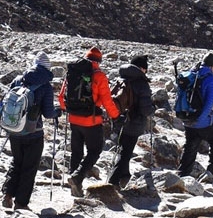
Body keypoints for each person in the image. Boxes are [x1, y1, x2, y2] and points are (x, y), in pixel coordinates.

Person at [1, 51, 62, 210]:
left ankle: (7, 194)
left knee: (16, 161)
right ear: (48, 70)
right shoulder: (46, 87)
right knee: (29, 167)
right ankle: (21, 203)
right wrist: (58, 112)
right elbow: (48, 113)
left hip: (14, 129)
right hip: (34, 133)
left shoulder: (18, 80)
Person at [59, 47, 120, 196]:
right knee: (94, 150)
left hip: (73, 118)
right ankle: (77, 177)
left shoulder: (73, 72)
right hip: (91, 120)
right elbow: (107, 100)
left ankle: (74, 184)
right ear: (99, 61)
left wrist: (70, 110)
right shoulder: (99, 76)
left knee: (76, 151)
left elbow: (62, 97)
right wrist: (116, 116)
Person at [176, 53, 213, 180]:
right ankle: (212, 173)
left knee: (191, 145)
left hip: (187, 116)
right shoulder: (211, 79)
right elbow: (209, 104)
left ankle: (182, 174)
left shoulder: (190, 74)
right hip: (202, 121)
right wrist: (199, 120)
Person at [108, 55, 153, 188]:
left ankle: (124, 175)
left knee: (122, 147)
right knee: (125, 152)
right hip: (134, 121)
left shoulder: (122, 78)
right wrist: (152, 109)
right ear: (142, 68)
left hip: (119, 118)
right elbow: (145, 110)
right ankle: (113, 181)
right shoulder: (141, 83)